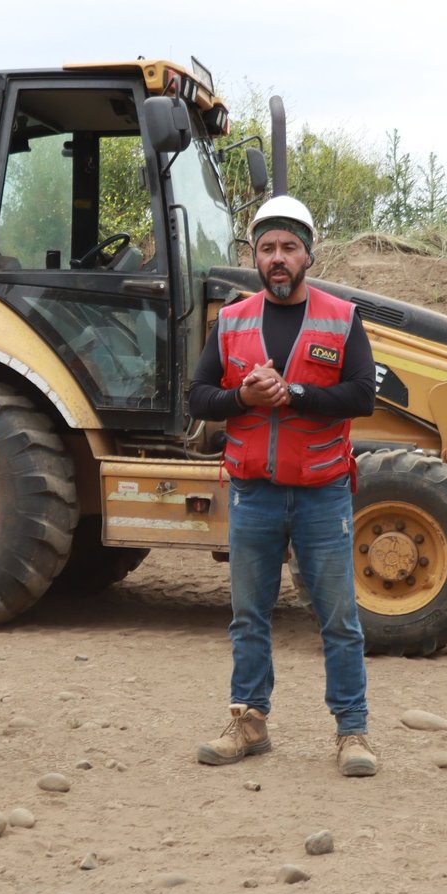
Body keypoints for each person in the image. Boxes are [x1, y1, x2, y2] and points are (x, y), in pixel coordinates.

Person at [186, 195, 379, 778]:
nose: (278, 258)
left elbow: (362, 396)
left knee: (339, 619)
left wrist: (292, 394)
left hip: (322, 493)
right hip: (254, 493)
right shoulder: (232, 322)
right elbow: (197, 398)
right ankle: (248, 721)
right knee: (249, 615)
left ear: (308, 255)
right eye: (267, 247)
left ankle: (352, 731)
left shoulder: (341, 319)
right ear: (253, 255)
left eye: (289, 247)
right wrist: (242, 397)